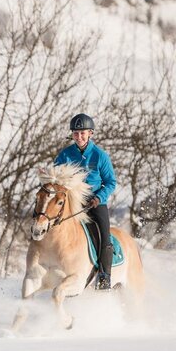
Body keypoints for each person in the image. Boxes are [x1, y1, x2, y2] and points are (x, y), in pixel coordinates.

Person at [54, 113, 118, 290]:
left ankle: (104, 276)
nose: (79, 137)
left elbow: (111, 182)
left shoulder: (100, 156)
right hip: (72, 203)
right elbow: (56, 178)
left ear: (90, 133)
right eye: (76, 133)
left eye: (83, 133)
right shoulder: (64, 155)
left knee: (104, 235)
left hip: (95, 202)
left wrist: (99, 197)